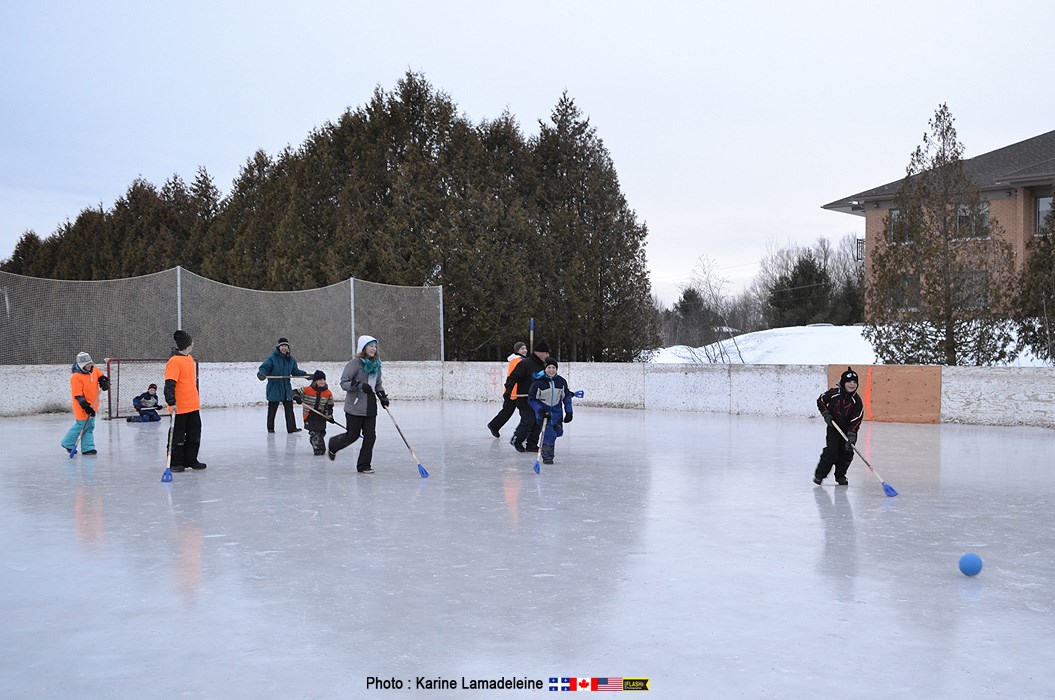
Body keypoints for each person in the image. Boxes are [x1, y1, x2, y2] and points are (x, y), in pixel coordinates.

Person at [328, 335, 390, 473]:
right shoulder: (355, 363)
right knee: (352, 435)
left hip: (370, 406)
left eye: (375, 346)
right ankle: (333, 444)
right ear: (363, 348)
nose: (374, 349)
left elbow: (377, 384)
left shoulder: (376, 364)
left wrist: (382, 396)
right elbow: (344, 382)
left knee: (370, 436)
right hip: (355, 406)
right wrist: (359, 386)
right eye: (370, 346)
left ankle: (364, 465)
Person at [814, 367, 863, 486]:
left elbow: (857, 418)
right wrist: (826, 414)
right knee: (831, 452)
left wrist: (852, 434)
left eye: (854, 382)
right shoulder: (833, 394)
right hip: (834, 429)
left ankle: (840, 475)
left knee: (847, 453)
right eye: (849, 382)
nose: (852, 385)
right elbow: (820, 401)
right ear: (843, 382)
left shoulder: (856, 401)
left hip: (848, 431)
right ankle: (820, 475)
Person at [165, 329, 206, 472]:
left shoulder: (189, 358)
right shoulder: (174, 361)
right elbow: (169, 385)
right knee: (178, 436)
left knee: (194, 434)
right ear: (187, 345)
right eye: (191, 342)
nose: (193, 344)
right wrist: (171, 402)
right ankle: (175, 462)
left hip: (193, 405)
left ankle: (191, 460)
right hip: (180, 407)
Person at [526, 357, 575, 464]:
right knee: (550, 434)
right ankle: (547, 457)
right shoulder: (538, 383)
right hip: (544, 414)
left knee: (557, 433)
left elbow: (566, 397)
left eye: (553, 367)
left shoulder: (561, 381)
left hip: (557, 414)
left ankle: (545, 446)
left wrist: (569, 412)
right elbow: (531, 400)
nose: (551, 370)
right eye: (549, 367)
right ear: (545, 369)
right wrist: (541, 410)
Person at [504, 341, 550, 452]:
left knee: (538, 422)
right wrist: (508, 390)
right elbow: (512, 378)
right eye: (546, 353)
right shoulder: (525, 364)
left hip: (539, 400)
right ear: (539, 353)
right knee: (528, 420)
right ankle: (517, 440)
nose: (548, 356)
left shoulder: (545, 365)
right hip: (525, 399)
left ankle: (532, 444)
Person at [257, 337, 309, 433]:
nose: (283, 348)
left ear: (288, 347)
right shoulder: (272, 357)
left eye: (285, 346)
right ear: (278, 347)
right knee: (272, 409)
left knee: (289, 408)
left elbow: (295, 371)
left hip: (286, 388)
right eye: (282, 346)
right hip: (274, 388)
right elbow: (264, 367)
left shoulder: (291, 360)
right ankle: (271, 428)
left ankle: (291, 428)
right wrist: (261, 374)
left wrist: (305, 375)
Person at [61, 352, 108, 455]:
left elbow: (101, 376)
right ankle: (68, 443)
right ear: (81, 366)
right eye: (86, 365)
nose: (89, 366)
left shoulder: (94, 369)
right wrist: (86, 407)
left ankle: (88, 448)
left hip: (94, 405)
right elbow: (77, 395)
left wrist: (103, 380)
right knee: (81, 425)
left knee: (90, 426)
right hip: (82, 407)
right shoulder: (76, 377)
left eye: (90, 363)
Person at [486, 341, 528, 439]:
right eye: (522, 348)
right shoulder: (518, 361)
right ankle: (494, 425)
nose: (525, 350)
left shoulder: (519, 360)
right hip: (514, 391)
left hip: (517, 391)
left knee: (512, 411)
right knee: (509, 411)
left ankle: (494, 425)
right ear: (517, 350)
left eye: (525, 348)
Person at [293, 370, 335, 456]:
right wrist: (297, 397)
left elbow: (329, 406)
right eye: (320, 379)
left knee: (321, 432)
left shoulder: (328, 393)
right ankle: (318, 448)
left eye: (324, 379)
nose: (322, 381)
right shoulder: (307, 389)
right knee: (315, 433)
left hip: (321, 416)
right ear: (315, 381)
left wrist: (329, 416)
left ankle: (319, 446)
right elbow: (293, 392)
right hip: (309, 416)